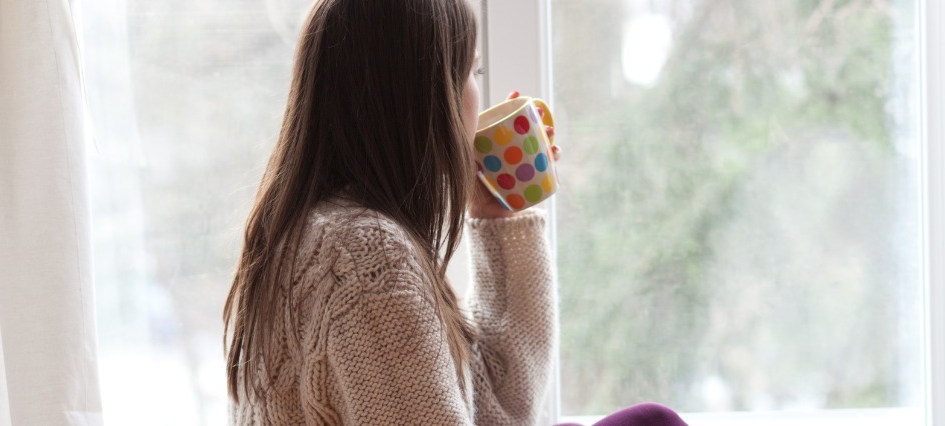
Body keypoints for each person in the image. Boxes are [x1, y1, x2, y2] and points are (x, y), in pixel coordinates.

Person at [223, 0, 684, 425]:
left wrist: (497, 219)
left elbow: (497, 408)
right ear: (426, 96)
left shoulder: (324, 232)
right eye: (473, 71)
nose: (478, 94)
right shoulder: (363, 255)